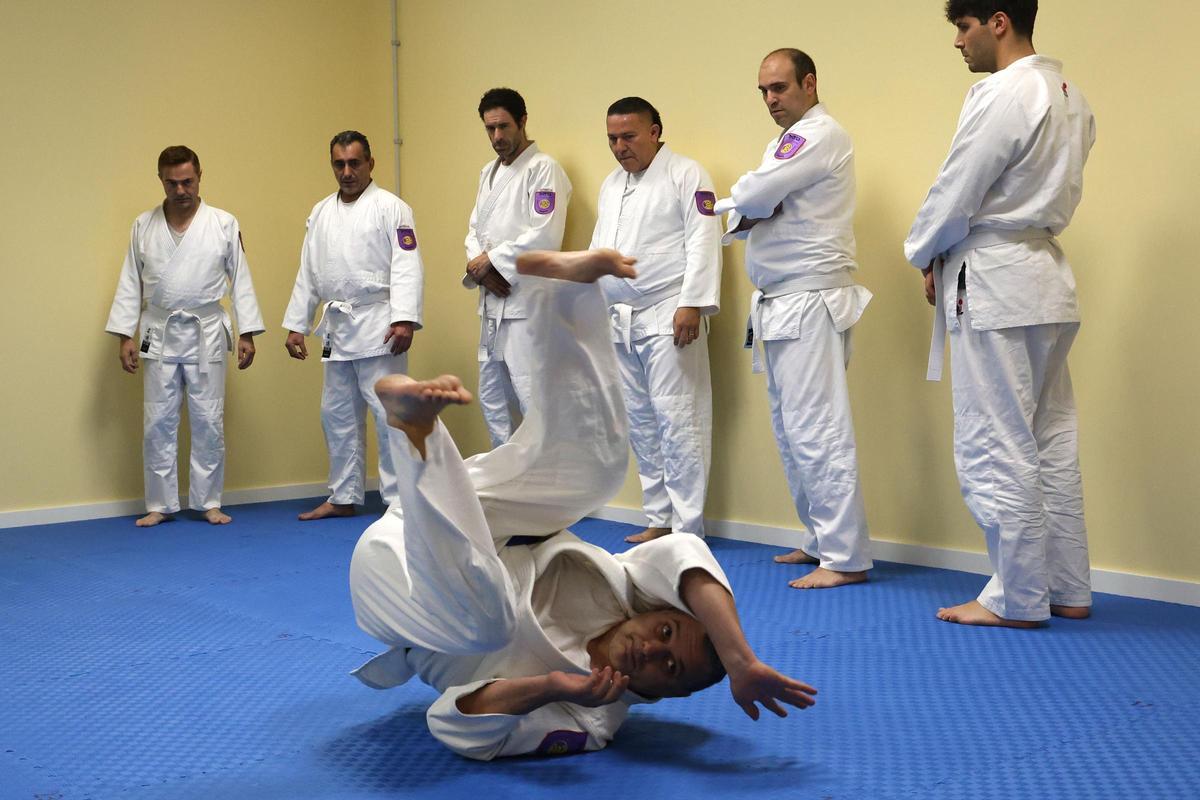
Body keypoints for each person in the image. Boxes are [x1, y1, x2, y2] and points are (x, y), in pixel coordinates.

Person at [349, 250, 817, 760]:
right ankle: (563, 293)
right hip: (466, 517)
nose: (650, 648)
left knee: (487, 621)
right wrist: (740, 659)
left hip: (402, 587)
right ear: (661, 612)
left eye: (668, 668)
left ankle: (418, 436)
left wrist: (551, 687)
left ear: (663, 695)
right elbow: (685, 552)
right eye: (665, 631)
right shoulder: (629, 593)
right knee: (599, 473)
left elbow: (452, 723)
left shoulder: (593, 717)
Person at [904, 0, 1095, 627]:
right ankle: (1066, 587)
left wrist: (924, 252)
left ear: (998, 21)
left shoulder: (1004, 92)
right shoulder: (1071, 96)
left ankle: (1017, 597)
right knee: (1050, 438)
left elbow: (958, 188)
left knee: (997, 440)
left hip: (994, 279)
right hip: (1046, 277)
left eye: (963, 27)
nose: (958, 42)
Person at [713, 49, 873, 588]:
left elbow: (755, 194)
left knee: (818, 428)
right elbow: (750, 211)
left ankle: (845, 557)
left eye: (779, 87)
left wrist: (751, 201)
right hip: (779, 302)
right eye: (763, 90)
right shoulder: (784, 142)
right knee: (791, 430)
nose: (770, 99)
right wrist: (752, 205)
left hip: (809, 300)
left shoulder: (820, 133)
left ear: (809, 82)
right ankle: (819, 538)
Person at [105, 146, 264, 527]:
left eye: (187, 182)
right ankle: (159, 504)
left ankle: (208, 501)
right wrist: (125, 335)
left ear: (200, 177)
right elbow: (130, 281)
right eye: (172, 183)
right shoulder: (143, 225)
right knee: (157, 420)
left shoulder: (223, 223)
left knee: (208, 418)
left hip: (206, 330)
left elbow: (240, 279)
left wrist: (247, 333)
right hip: (158, 331)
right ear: (161, 180)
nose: (180, 190)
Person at [590, 97, 721, 544]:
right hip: (621, 319)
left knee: (679, 419)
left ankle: (687, 526)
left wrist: (693, 303)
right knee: (642, 422)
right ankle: (659, 516)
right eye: (612, 138)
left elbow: (704, 239)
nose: (619, 147)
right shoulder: (611, 185)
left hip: (670, 314)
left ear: (655, 131)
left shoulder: (687, 174)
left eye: (628, 136)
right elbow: (599, 250)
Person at [283, 131, 424, 521]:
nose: (347, 172)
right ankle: (343, 495)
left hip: (380, 325)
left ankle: (399, 501)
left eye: (354, 163)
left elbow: (408, 265)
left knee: (390, 416)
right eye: (339, 164)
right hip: (337, 327)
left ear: (370, 163)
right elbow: (308, 272)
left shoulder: (392, 208)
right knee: (336, 415)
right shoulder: (320, 212)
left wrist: (404, 318)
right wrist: (297, 324)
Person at [464, 87, 572, 446]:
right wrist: (481, 269)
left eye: (503, 126)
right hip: (492, 303)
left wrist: (493, 262)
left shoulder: (544, 169)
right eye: (489, 128)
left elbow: (545, 235)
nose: (497, 136)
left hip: (527, 303)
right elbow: (474, 231)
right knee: (494, 399)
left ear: (523, 121)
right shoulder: (487, 172)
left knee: (532, 397)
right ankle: (505, 475)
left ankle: (544, 478)